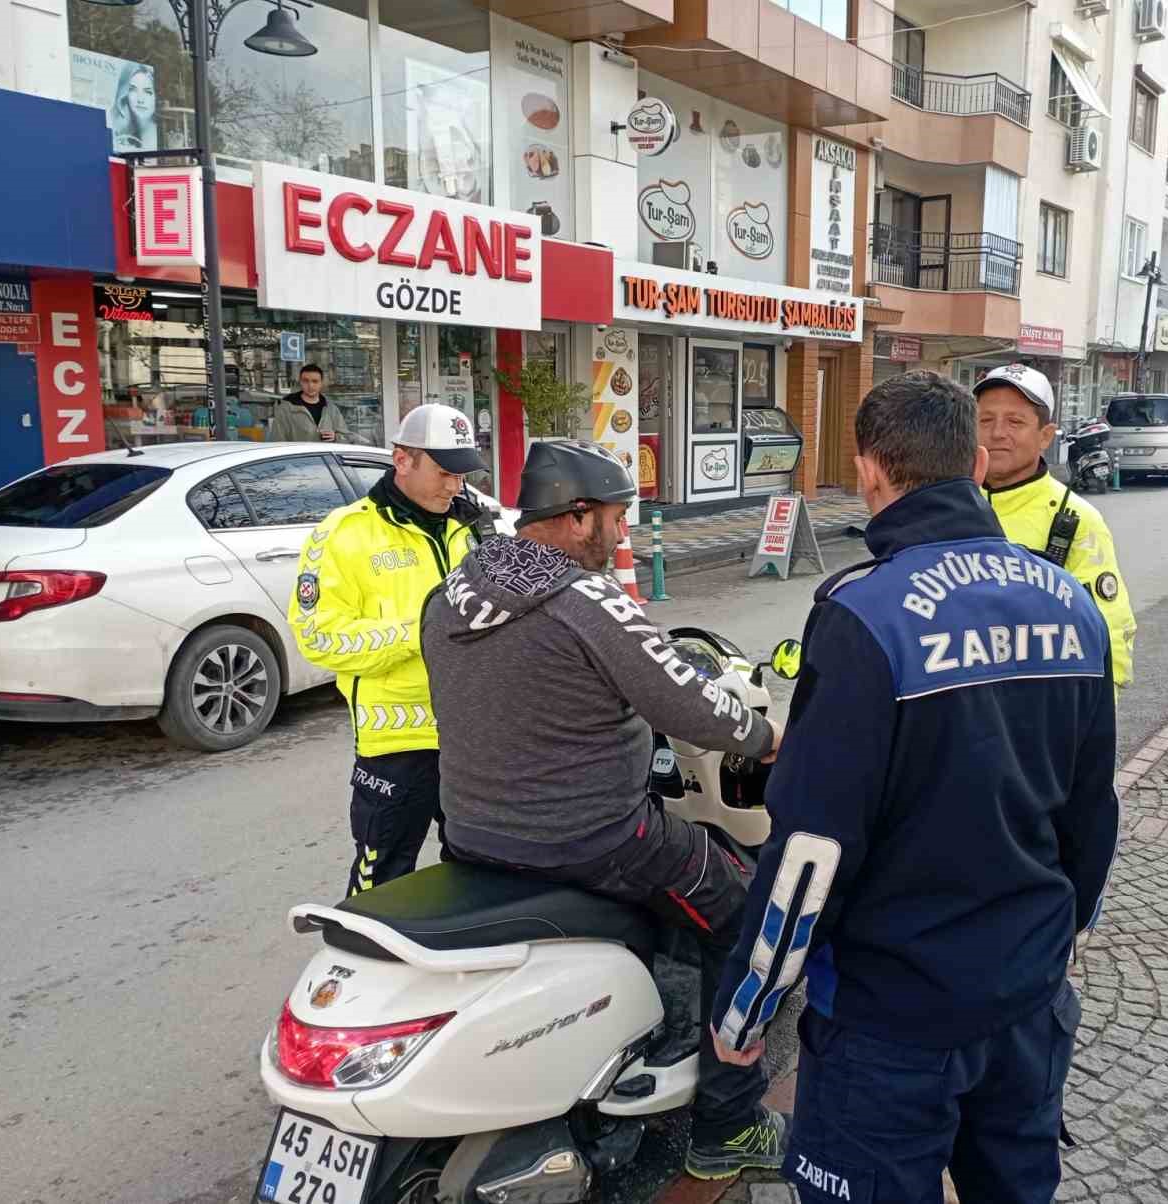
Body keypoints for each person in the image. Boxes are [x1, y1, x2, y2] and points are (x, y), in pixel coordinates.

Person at [710, 370, 1120, 1204]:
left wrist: (746, 1011)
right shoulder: (1072, 604)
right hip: (1027, 1003)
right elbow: (1091, 810)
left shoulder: (866, 614)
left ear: (868, 471)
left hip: (891, 1021)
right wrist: (1056, 941)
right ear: (973, 461)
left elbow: (813, 852)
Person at [419, 440, 789, 1182]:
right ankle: (728, 1125)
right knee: (748, 922)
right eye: (616, 519)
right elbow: (689, 701)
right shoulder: (585, 602)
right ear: (577, 513)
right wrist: (769, 737)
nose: (621, 536)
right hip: (594, 837)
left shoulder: (457, 586)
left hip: (471, 833)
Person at [285, 403, 485, 896]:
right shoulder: (344, 535)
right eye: (443, 473)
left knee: (477, 869)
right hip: (397, 745)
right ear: (402, 459)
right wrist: (421, 629)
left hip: (475, 738)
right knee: (382, 882)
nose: (454, 487)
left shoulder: (475, 527)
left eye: (461, 474)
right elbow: (318, 636)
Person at [973, 363, 1137, 693]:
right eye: (985, 420)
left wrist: (1093, 726)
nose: (997, 433)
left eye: (1015, 422)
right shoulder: (948, 503)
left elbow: (1110, 631)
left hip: (1036, 710)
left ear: (1045, 436)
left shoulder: (1074, 519)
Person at [270, 364, 351, 443]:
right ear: (300, 382)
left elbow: (346, 437)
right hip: (301, 456)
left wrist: (335, 437)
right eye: (306, 381)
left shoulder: (331, 409)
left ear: (321, 383)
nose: (310, 385)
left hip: (325, 456)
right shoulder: (286, 409)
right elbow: (277, 441)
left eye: (315, 381)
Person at [108, 63, 157, 153]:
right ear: (125, 95)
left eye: (148, 92)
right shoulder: (119, 137)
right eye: (133, 90)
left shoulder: (161, 139)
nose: (140, 99)